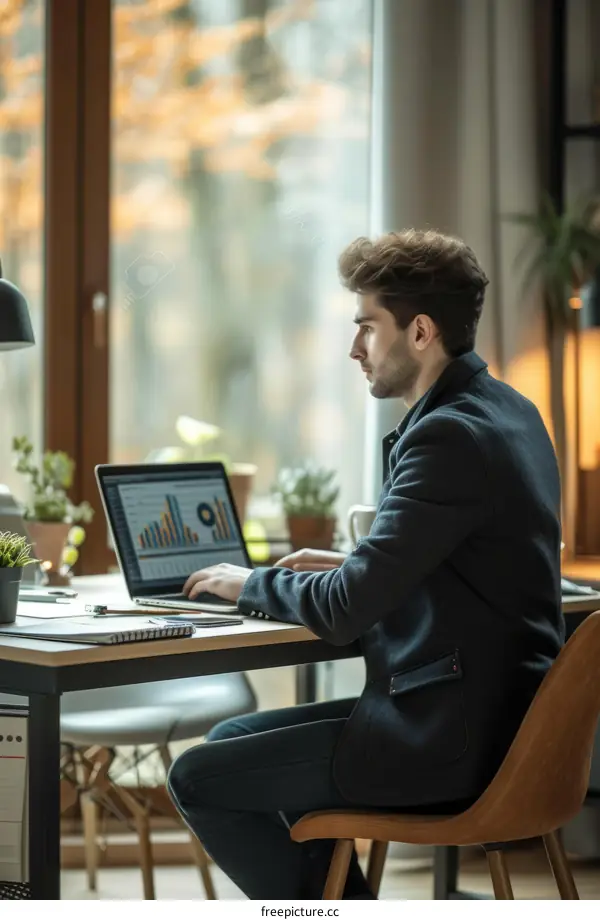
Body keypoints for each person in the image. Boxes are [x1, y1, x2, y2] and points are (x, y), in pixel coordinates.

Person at [167, 229, 565, 900]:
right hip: (508, 722)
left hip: (452, 738)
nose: (354, 348)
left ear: (419, 333)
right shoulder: (508, 411)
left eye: (367, 326)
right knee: (235, 736)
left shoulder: (448, 436)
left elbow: (344, 609)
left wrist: (250, 583)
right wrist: (355, 562)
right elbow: (456, 564)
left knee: (197, 778)